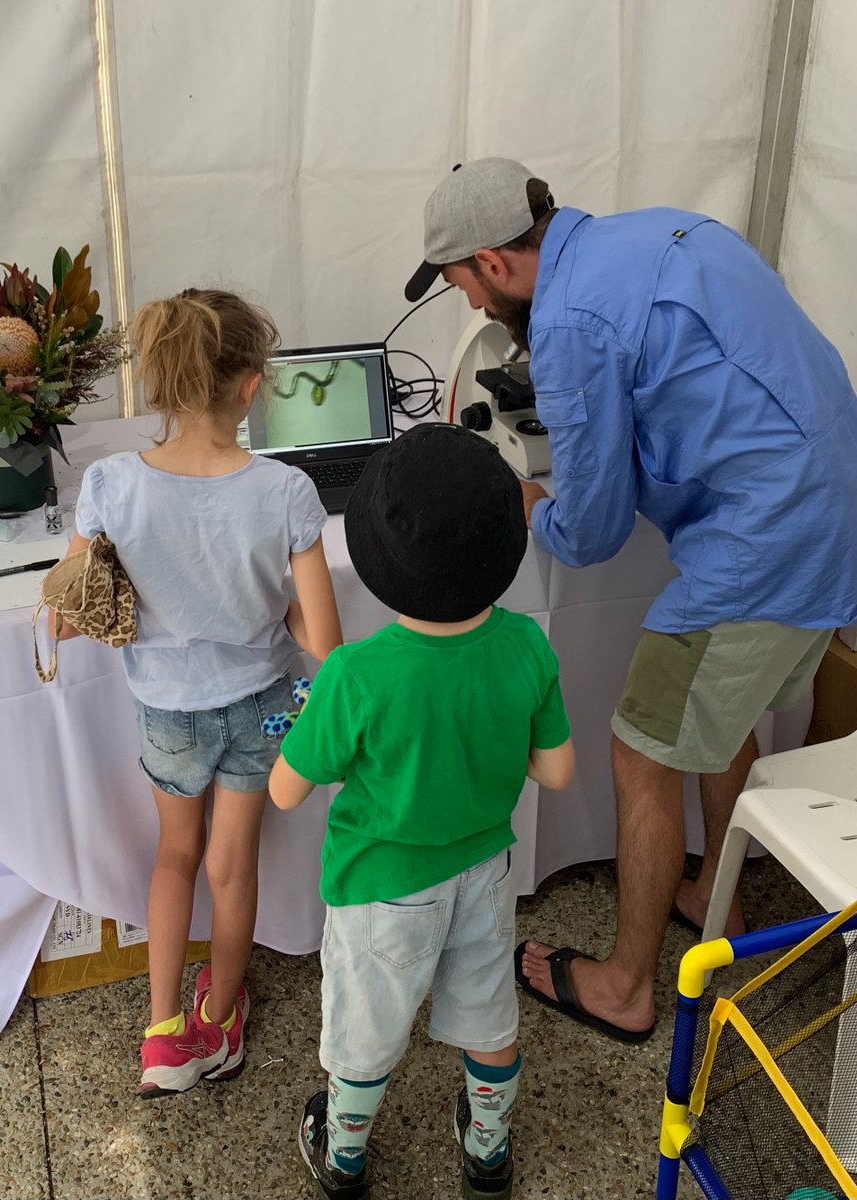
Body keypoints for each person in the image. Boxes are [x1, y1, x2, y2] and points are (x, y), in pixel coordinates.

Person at [405, 157, 857, 1043]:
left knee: (641, 748)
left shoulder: (572, 323)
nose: (471, 307)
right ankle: (716, 903)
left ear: (496, 264)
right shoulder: (650, 229)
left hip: (769, 541)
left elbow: (595, 531)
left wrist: (536, 507)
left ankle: (624, 985)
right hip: (843, 508)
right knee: (716, 710)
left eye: (464, 285)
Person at [269, 424, 576, 1200]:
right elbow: (559, 771)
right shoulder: (530, 648)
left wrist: (314, 723)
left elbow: (285, 789)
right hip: (485, 871)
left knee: (367, 1031)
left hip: (381, 888)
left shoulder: (354, 674)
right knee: (488, 1016)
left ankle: (343, 1158)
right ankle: (488, 1149)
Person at [55, 288, 344, 1097]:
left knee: (173, 856)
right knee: (231, 864)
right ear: (252, 385)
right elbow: (326, 649)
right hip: (260, 704)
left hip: (165, 710)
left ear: (162, 382)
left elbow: (74, 605)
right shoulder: (285, 492)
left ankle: (160, 1029)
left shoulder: (110, 484)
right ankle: (219, 1015)